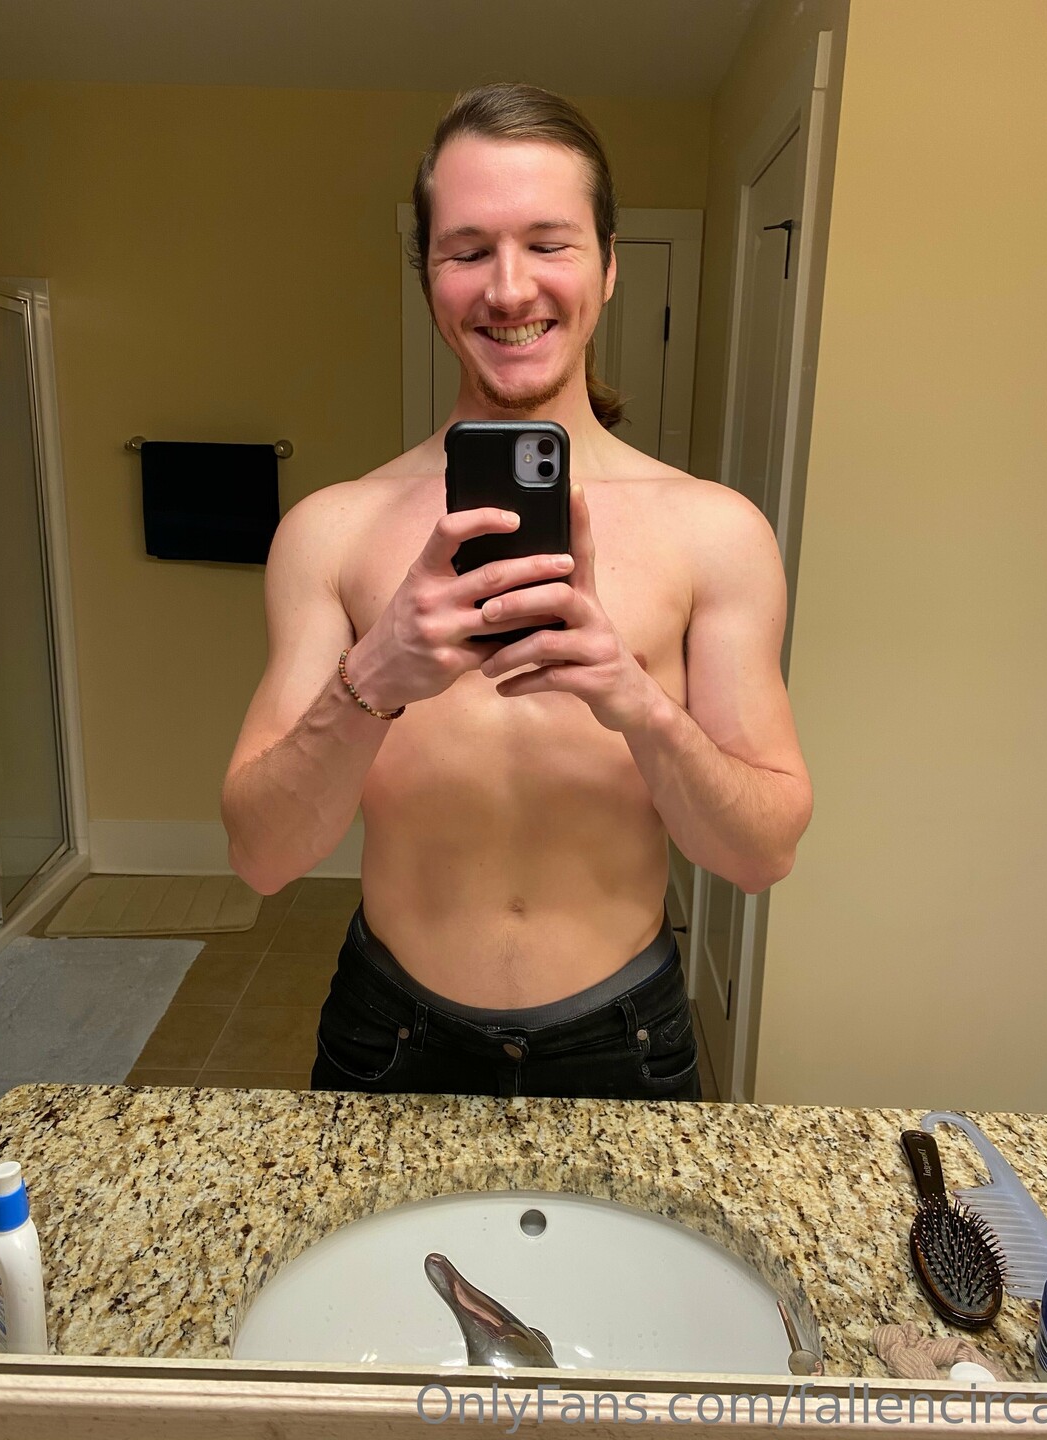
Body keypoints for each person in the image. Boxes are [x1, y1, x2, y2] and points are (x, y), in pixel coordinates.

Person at [221, 83, 812, 1102]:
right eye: (467, 250)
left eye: (548, 243)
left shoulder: (716, 533)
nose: (508, 287)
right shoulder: (332, 531)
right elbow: (261, 857)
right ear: (427, 274)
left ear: (609, 265)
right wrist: (373, 678)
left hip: (624, 1040)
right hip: (389, 1037)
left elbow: (761, 855)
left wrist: (638, 704)